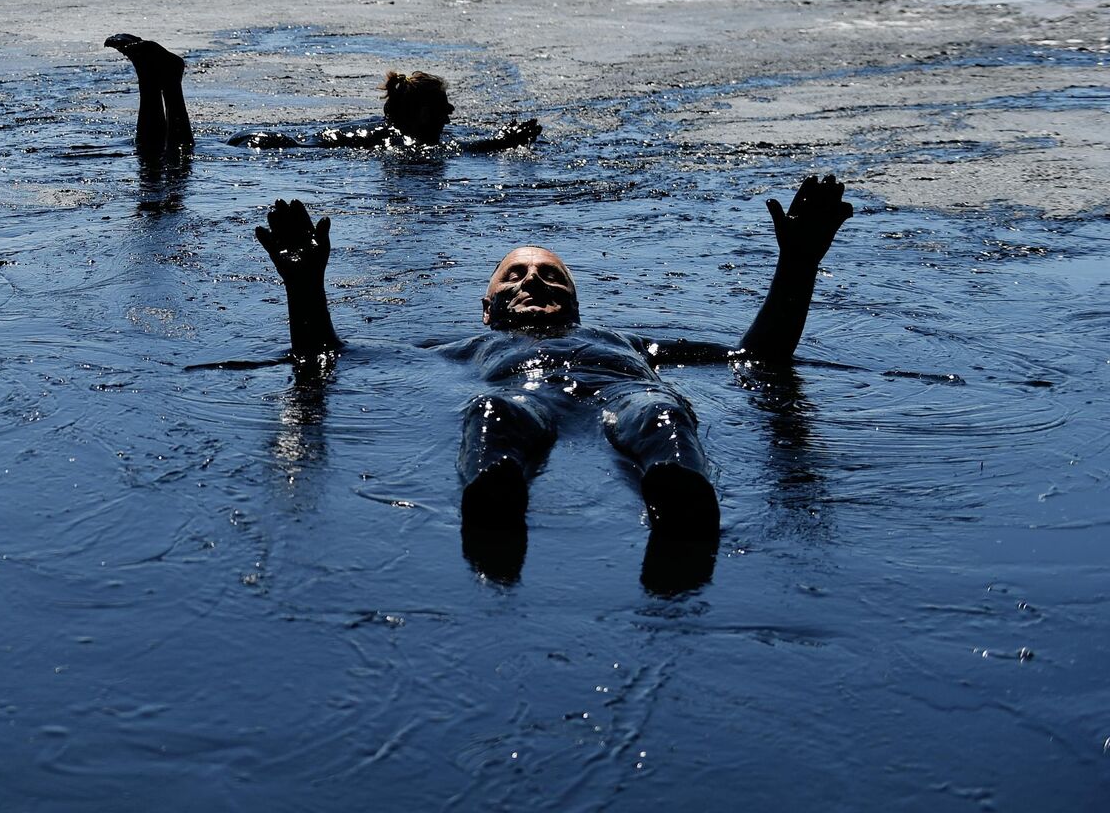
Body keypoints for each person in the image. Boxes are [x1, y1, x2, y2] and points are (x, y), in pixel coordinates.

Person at [252, 175, 854, 542]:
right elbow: (327, 357)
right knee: (493, 409)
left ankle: (682, 495)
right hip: (522, 396)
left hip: (624, 392)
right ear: (486, 309)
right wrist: (304, 289)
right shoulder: (472, 346)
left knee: (661, 410)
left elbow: (756, 355)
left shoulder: (623, 343)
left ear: (577, 303)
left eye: (549, 275)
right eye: (515, 275)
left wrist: (797, 264)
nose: (533, 281)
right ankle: (494, 495)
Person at [103, 33, 540, 158]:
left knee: (164, 155)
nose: (450, 114)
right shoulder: (401, 141)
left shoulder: (388, 135)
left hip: (265, 145)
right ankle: (166, 80)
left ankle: (157, 79)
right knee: (167, 155)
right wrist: (501, 143)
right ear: (421, 110)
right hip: (269, 151)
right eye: (443, 107)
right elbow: (461, 151)